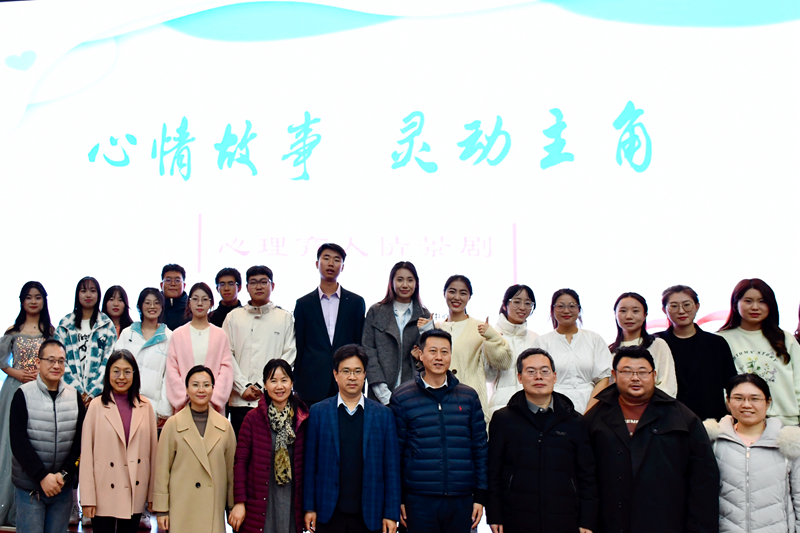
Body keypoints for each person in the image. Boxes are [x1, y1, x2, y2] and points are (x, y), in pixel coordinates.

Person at [584, 345, 719, 533]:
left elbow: (704, 478)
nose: (635, 378)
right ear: (614, 375)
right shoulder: (595, 417)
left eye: (642, 372)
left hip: (666, 521)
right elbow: (584, 475)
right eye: (627, 372)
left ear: (654, 375)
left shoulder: (682, 418)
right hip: (609, 521)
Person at [487, 348, 598, 533]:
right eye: (531, 371)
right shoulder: (503, 420)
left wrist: (587, 520)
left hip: (564, 518)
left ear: (554, 376)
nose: (538, 377)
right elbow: (493, 472)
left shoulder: (575, 421)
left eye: (545, 371)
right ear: (520, 377)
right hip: (516, 517)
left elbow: (587, 476)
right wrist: (494, 514)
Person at [390, 329, 488, 533]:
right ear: (420, 354)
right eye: (433, 351)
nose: (439, 357)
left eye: (445, 352)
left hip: (461, 498)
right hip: (418, 499)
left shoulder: (468, 397)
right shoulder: (402, 397)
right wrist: (398, 498)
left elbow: (479, 449)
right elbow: (395, 453)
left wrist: (480, 496)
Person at [304, 344, 400, 533]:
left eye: (357, 371)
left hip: (370, 514)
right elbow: (310, 465)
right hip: (328, 512)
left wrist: (391, 513)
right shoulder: (318, 412)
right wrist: (309, 507)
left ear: (365, 374)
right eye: (346, 371)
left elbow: (391, 468)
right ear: (335, 374)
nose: (352, 377)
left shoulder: (383, 415)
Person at [704, 373, 800, 533]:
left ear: (768, 402)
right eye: (738, 398)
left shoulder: (789, 442)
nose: (746, 405)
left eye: (755, 399)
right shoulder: (713, 442)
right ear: (728, 401)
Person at [9, 339, 86, 533]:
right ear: (38, 362)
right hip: (30, 488)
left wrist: (63, 475)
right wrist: (42, 477)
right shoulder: (23, 394)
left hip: (62, 487)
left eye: (61, 361)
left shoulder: (74, 396)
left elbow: (80, 441)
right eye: (50, 360)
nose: (56, 365)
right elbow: (18, 442)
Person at [79, 350, 158, 533]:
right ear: (108, 373)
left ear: (134, 374)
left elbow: (154, 454)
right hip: (103, 490)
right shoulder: (96, 406)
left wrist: (153, 494)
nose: (121, 377)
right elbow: (87, 455)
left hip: (135, 489)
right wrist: (87, 498)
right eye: (116, 371)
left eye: (127, 372)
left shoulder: (145, 406)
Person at [229, 359, 309, 533]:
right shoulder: (252, 419)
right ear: (265, 385)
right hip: (260, 502)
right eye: (273, 381)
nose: (279, 386)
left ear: (292, 383)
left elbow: (309, 466)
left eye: (284, 380)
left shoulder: (302, 419)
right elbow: (240, 462)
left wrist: (310, 507)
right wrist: (240, 502)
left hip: (291, 502)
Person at [419, 275, 512, 423]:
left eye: (463, 293)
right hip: (437, 402)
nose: (457, 297)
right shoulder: (436, 327)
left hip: (470, 403)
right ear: (444, 293)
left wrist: (493, 337)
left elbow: (503, 363)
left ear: (469, 296)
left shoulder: (480, 328)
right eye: (452, 291)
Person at [153, 365, 236, 533]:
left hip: (213, 512)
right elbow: (161, 471)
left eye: (206, 385)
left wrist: (232, 507)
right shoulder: (173, 424)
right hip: (181, 509)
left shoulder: (225, 426)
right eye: (195, 385)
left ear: (213, 388)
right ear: (186, 389)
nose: (201, 390)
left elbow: (231, 472)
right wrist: (161, 510)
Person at [0, 281, 54, 527]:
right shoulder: (13, 330)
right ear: (22, 301)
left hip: (40, 392)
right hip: (14, 390)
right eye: (28, 297)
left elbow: (55, 361)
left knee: (36, 443)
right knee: (10, 444)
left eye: (38, 297)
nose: (33, 301)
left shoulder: (50, 331)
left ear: (44, 300)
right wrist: (17, 373)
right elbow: (1, 361)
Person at [223, 265, 296, 436]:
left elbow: (289, 354)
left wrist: (264, 386)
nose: (258, 286)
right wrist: (243, 386)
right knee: (242, 448)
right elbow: (226, 355)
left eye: (264, 282)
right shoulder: (233, 317)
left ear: (272, 285)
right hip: (241, 400)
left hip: (274, 399)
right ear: (246, 287)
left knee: (272, 448)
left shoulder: (284, 317)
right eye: (253, 282)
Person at [717, 278, 800, 425]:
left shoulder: (785, 338)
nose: (755, 307)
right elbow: (716, 385)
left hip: (786, 422)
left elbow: (798, 380)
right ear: (735, 304)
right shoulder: (720, 340)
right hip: (740, 423)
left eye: (762, 301)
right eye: (748, 301)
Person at [293, 243, 366, 405]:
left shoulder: (355, 302)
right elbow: (300, 345)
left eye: (336, 260)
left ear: (343, 267)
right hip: (311, 383)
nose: (331, 263)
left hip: (347, 381)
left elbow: (359, 344)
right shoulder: (304, 304)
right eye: (326, 258)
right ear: (317, 264)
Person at [655, 285, 736, 421]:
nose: (681, 311)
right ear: (664, 310)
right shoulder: (656, 342)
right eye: (674, 306)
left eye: (687, 305)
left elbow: (731, 383)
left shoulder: (716, 343)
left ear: (697, 306)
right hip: (668, 418)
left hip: (711, 420)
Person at [532, 289, 612, 413]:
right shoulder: (542, 342)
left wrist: (589, 413)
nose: (566, 311)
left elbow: (603, 379)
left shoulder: (594, 339)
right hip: (554, 409)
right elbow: (538, 380)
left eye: (572, 306)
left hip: (591, 407)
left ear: (579, 309)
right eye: (560, 306)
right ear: (553, 309)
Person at [362, 261, 431, 406]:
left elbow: (428, 355)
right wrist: (384, 395)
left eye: (410, 280)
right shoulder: (376, 312)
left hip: (414, 396)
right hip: (379, 395)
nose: (405, 285)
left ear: (416, 283)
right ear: (391, 282)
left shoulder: (424, 315)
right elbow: (368, 352)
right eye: (400, 280)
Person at [166, 283, 233, 414]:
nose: (200, 303)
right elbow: (172, 370)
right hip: (184, 406)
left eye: (204, 299)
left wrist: (213, 397)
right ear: (189, 303)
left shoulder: (220, 335)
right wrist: (185, 396)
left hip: (213, 407)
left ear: (211, 303)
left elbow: (226, 369)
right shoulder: (178, 334)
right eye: (195, 299)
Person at [55, 276, 117, 407]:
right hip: (67, 395)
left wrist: (91, 393)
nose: (88, 295)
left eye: (92, 291)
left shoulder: (106, 325)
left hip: (98, 397)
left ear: (98, 295)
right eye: (83, 291)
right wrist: (77, 391)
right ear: (77, 294)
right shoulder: (65, 324)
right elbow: (59, 360)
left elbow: (108, 361)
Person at [115, 288, 173, 425]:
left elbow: (169, 376)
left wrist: (164, 410)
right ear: (139, 306)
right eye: (147, 303)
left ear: (162, 307)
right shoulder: (127, 333)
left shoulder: (169, 336)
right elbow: (115, 367)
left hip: (152, 406)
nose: (152, 306)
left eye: (156, 303)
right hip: (124, 401)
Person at [609, 292, 677, 397]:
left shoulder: (658, 345)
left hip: (655, 406)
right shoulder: (608, 351)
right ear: (615, 314)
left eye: (635, 311)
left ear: (645, 315)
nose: (629, 316)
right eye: (623, 311)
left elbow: (668, 386)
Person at [486, 284, 539, 418]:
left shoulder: (535, 339)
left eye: (528, 303)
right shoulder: (493, 335)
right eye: (517, 301)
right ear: (505, 305)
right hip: (500, 408)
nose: (522, 307)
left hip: (532, 409)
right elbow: (488, 376)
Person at [161, 264, 189, 331]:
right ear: (161, 285)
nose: (173, 284)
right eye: (168, 280)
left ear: (184, 285)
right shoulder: (154, 306)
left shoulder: (192, 308)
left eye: (177, 280)